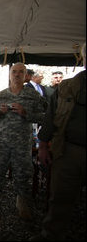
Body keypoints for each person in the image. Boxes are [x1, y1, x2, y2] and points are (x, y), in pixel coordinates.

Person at [30, 43, 86, 241]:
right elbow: (50, 119)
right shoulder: (67, 88)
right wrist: (43, 146)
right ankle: (51, 235)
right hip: (68, 150)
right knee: (60, 197)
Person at [0, 62, 47, 221]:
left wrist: (26, 113)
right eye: (14, 72)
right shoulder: (2, 94)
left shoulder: (32, 95)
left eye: (21, 72)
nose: (17, 75)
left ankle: (22, 200)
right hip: (2, 139)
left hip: (22, 141)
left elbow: (45, 115)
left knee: (23, 170)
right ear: (10, 74)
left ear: (26, 75)